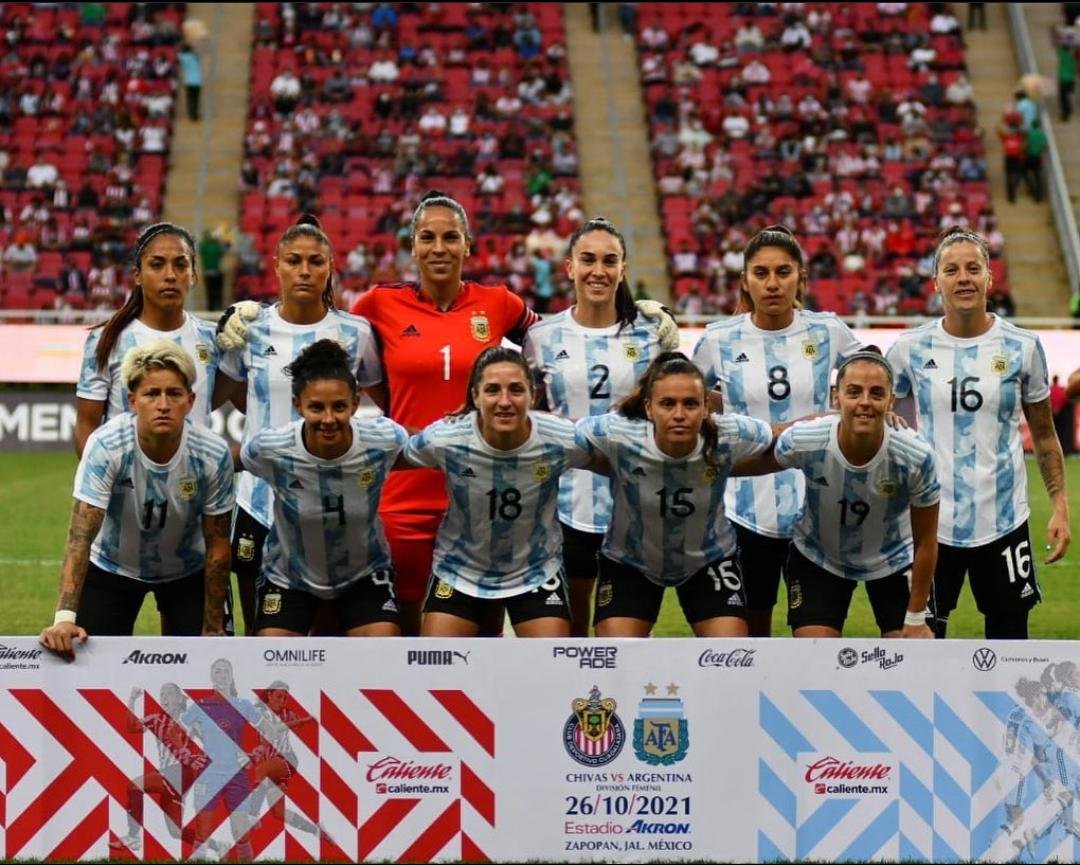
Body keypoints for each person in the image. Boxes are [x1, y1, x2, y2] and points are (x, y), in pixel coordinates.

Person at [330, 190, 676, 635]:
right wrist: (257, 314)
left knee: (484, 638)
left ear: (468, 244)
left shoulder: (499, 303)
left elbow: (564, 334)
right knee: (409, 636)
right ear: (412, 245)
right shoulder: (378, 303)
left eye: (451, 237)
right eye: (428, 238)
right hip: (410, 493)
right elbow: (331, 345)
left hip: (486, 492)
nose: (439, 248)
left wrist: (642, 311)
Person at [886, 227, 1072, 640]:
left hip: (1004, 519)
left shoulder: (1022, 347)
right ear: (936, 282)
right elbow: (878, 417)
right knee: (921, 644)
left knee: (1009, 647)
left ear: (990, 278)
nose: (963, 277)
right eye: (951, 270)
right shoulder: (909, 348)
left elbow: (1044, 435)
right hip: (930, 521)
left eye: (974, 268)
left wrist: (1060, 505)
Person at [215, 215, 382, 635]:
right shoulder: (250, 327)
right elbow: (229, 394)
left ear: (330, 267)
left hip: (332, 501)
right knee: (263, 633)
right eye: (294, 261)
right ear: (276, 265)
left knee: (325, 635)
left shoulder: (355, 332)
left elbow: (387, 402)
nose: (305, 271)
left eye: (315, 261)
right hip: (258, 500)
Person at [691, 225, 861, 636]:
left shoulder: (828, 330)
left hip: (817, 512)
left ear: (801, 278)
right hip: (741, 515)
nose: (772, 283)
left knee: (815, 642)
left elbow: (874, 373)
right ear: (745, 280)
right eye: (761, 273)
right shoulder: (718, 338)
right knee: (750, 646)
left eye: (783, 272)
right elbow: (686, 399)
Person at [39, 342, 234, 661]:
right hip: (112, 566)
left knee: (208, 664)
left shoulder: (213, 454)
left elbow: (218, 543)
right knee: (86, 663)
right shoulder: (106, 446)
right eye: (151, 394)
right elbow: (79, 537)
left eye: (174, 394)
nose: (163, 404)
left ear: (191, 400)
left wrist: (212, 626)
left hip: (188, 569)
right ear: (132, 401)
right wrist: (64, 620)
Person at [522, 217, 668, 636]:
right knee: (564, 636)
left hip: (632, 509)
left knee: (621, 642)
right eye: (587, 259)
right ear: (569, 267)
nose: (598, 271)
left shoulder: (652, 336)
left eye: (609, 261)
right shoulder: (542, 337)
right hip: (562, 508)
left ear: (623, 268)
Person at [743, 349, 939, 638]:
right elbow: (756, 462)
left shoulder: (915, 454)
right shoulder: (807, 438)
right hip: (819, 556)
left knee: (911, 657)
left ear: (891, 401)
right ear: (836, 397)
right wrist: (701, 469)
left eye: (876, 393)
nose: (864, 402)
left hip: (894, 559)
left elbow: (926, 541)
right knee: (815, 657)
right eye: (854, 392)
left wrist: (916, 616)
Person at [576, 352, 775, 638]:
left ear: (707, 407)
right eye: (668, 404)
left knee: (732, 659)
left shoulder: (731, 434)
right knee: (618, 662)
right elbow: (560, 437)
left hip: (709, 559)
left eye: (690, 404)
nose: (679, 414)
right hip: (630, 560)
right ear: (648, 407)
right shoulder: (616, 433)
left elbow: (784, 438)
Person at [403, 347, 591, 637]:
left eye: (516, 390)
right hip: (460, 570)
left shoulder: (563, 440)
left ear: (533, 395)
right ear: (475, 396)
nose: (505, 401)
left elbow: (618, 460)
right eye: (492, 390)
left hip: (535, 570)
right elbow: (385, 458)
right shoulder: (445, 439)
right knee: (437, 666)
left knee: (553, 672)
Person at [240, 339, 405, 637]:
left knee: (382, 651)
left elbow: (424, 448)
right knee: (271, 663)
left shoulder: (384, 440)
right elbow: (238, 461)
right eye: (316, 407)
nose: (328, 419)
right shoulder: (270, 449)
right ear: (297, 405)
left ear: (355, 403)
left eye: (339, 407)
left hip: (364, 574)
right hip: (289, 576)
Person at [75, 222, 223, 458]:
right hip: (126, 491)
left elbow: (240, 400)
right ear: (138, 275)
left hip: (194, 490)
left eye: (181, 265)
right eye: (157, 265)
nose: (170, 275)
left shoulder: (214, 339)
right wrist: (98, 483)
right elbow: (86, 425)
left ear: (193, 275)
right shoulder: (107, 339)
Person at [180, 658, 259, 861]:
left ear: (231, 676)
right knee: (203, 832)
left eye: (225, 672)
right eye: (217, 672)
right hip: (209, 775)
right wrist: (187, 755)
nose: (221, 675)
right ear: (211, 677)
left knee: (242, 832)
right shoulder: (201, 706)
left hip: (237, 775)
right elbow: (175, 730)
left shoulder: (243, 705)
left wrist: (255, 753)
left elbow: (269, 732)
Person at [114, 683, 206, 853]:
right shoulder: (156, 719)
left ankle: (133, 837)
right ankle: (216, 846)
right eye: (161, 693)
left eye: (169, 693)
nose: (164, 697)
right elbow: (132, 727)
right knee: (175, 831)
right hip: (168, 774)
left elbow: (211, 741)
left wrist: (199, 759)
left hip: (181, 772)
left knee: (134, 786)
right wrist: (132, 699)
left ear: (179, 699)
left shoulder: (190, 720)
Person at [178, 43, 202, 122]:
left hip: (189, 81)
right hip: (198, 81)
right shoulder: (195, 57)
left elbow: (177, 54)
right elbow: (197, 53)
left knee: (190, 99)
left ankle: (191, 115)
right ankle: (195, 114)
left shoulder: (183, 57)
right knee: (196, 99)